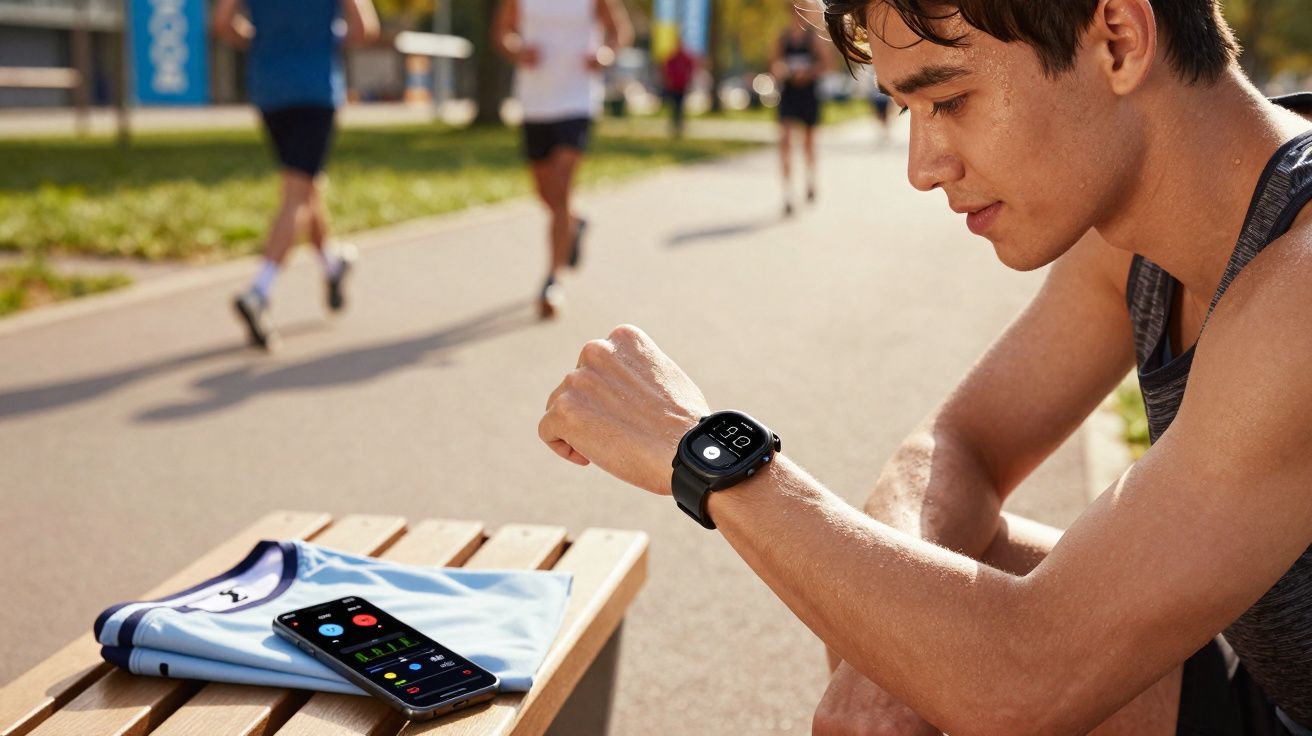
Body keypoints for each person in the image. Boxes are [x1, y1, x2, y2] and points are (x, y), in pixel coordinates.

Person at [537, 0, 1312, 733]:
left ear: (1118, 38)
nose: (922, 166)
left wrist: (708, 454)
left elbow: (1025, 679)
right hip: (1265, 700)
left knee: (975, 652)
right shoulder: (1133, 241)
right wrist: (893, 654)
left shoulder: (1300, 290)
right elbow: (959, 446)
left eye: (948, 101)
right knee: (920, 586)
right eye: (907, 111)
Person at [213, 0, 378, 351]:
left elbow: (223, 23)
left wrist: (263, 42)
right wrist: (322, 42)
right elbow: (366, 29)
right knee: (298, 193)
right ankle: (259, 291)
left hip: (269, 87)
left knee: (303, 183)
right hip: (316, 87)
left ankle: (333, 265)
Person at [491, 0, 633, 319]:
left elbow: (619, 31)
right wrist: (518, 50)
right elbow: (502, 32)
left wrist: (605, 54)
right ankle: (574, 222)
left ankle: (552, 280)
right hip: (535, 102)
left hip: (577, 100)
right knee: (546, 194)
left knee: (562, 186)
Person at [771, 15, 829, 216]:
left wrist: (808, 72)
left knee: (808, 143)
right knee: (785, 142)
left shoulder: (814, 38)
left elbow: (826, 64)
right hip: (788, 95)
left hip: (808, 95)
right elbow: (774, 64)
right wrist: (782, 70)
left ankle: (810, 181)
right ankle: (787, 194)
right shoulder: (783, 38)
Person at [662, 40, 696, 139]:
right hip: (674, 86)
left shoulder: (684, 58)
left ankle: (679, 126)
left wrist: (689, 79)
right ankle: (675, 126)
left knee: (679, 107)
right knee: (675, 107)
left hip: (681, 86)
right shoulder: (673, 58)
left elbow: (692, 67)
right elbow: (666, 69)